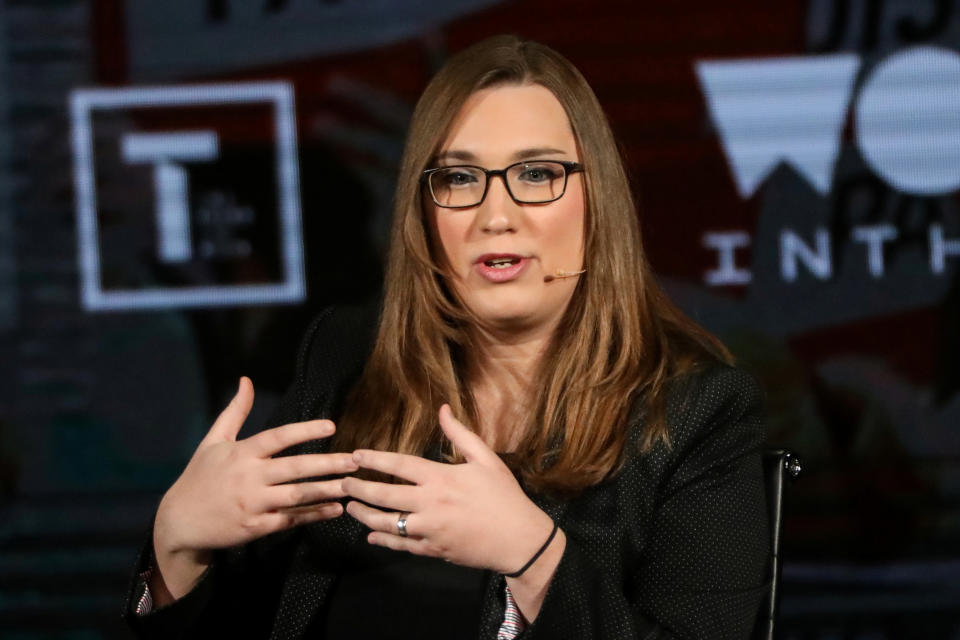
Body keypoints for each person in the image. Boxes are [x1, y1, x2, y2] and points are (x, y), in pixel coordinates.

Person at [124, 34, 769, 639]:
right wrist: (177, 551)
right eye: (460, 178)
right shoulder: (348, 356)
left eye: (537, 174)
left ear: (596, 198)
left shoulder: (700, 411)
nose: (496, 216)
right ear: (423, 212)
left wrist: (534, 557)